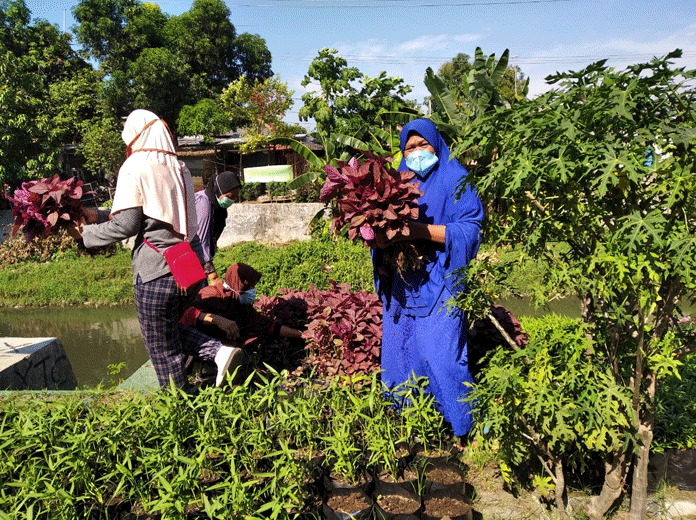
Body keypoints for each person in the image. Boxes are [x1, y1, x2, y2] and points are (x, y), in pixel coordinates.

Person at [69, 109, 240, 391]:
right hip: (188, 271)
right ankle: (219, 352)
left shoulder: (136, 165)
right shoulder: (179, 168)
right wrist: (95, 215)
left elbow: (127, 223)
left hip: (156, 274)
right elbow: (151, 214)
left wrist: (84, 236)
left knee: (161, 349)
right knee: (167, 332)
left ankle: (180, 410)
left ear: (135, 135)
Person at [372, 118, 484, 437]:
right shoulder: (396, 181)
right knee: (400, 355)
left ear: (436, 143)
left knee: (443, 358)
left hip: (442, 281)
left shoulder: (454, 177)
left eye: (423, 145)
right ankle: (413, 423)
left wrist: (419, 231)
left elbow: (470, 230)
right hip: (403, 284)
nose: (417, 152)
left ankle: (462, 428)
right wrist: (380, 238)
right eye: (410, 148)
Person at [180, 262, 304, 384]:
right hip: (192, 346)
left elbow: (270, 327)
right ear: (239, 285)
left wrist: (303, 335)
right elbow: (185, 313)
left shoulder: (242, 307)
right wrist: (216, 320)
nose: (253, 291)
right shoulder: (212, 294)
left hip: (222, 353)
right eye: (250, 287)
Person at [195, 171, 242, 285]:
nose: (231, 201)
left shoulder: (216, 206)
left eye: (235, 197)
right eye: (229, 197)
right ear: (219, 191)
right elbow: (200, 243)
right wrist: (213, 277)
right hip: (192, 260)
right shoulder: (204, 205)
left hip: (200, 261)